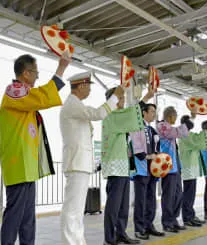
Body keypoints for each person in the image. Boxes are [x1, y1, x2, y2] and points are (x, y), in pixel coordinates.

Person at [0, 52, 71, 245]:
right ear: (25, 73)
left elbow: (39, 97)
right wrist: (61, 69)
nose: (37, 76)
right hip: (18, 164)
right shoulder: (14, 90)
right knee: (15, 213)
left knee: (28, 215)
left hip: (27, 166)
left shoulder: (24, 95)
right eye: (35, 72)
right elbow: (41, 97)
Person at [59, 72, 123, 245]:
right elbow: (98, 114)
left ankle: (78, 242)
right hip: (77, 163)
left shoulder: (76, 105)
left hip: (80, 163)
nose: (89, 90)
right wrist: (115, 97)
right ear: (81, 86)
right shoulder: (73, 104)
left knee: (77, 211)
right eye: (88, 86)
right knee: (72, 211)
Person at [102, 87, 154, 245]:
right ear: (112, 100)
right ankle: (110, 238)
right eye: (121, 98)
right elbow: (133, 114)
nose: (123, 101)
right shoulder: (111, 115)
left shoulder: (117, 116)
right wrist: (145, 97)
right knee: (114, 206)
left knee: (123, 206)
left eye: (123, 98)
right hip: (114, 167)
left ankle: (121, 233)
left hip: (123, 167)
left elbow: (131, 117)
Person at [156, 106, 195, 233]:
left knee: (178, 194)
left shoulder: (169, 127)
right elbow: (177, 132)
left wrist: (189, 121)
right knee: (169, 195)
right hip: (166, 166)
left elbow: (181, 132)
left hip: (175, 166)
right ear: (170, 116)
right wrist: (191, 118)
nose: (176, 119)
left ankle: (173, 219)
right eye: (175, 116)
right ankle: (167, 222)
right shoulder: (162, 126)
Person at [130, 103, 165, 240]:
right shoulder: (137, 126)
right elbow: (136, 148)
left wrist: (156, 156)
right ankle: (139, 229)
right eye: (151, 111)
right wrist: (149, 156)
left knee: (151, 199)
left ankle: (149, 225)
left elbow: (157, 147)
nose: (154, 114)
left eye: (155, 111)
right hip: (141, 169)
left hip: (152, 170)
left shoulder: (152, 130)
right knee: (140, 200)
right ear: (143, 112)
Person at [178, 115, 207, 227]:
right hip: (188, 169)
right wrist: (205, 131)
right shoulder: (184, 135)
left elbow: (197, 139)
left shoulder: (189, 134)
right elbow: (197, 143)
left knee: (190, 194)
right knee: (188, 194)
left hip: (192, 169)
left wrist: (204, 131)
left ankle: (191, 215)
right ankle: (187, 218)